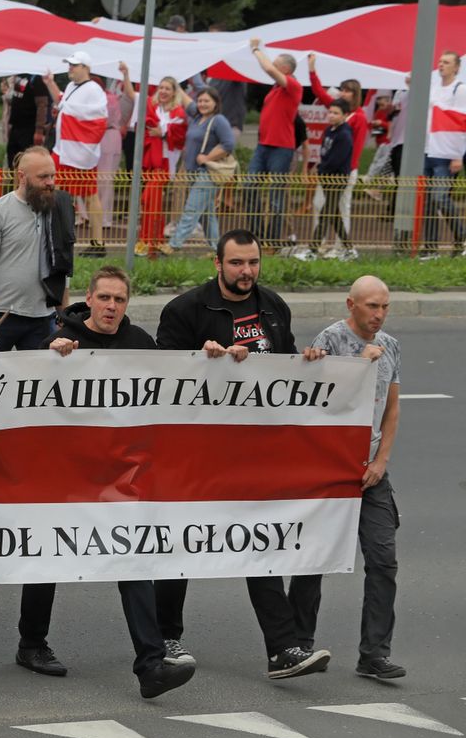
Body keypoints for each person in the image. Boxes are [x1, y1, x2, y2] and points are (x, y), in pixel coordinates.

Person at [155, 229, 332, 679]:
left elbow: (286, 370)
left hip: (255, 454)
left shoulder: (273, 306)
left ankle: (282, 649)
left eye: (253, 262)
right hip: (195, 454)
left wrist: (308, 362)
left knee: (261, 542)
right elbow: (158, 382)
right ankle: (165, 638)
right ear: (217, 264)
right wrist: (202, 359)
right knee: (182, 546)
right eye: (236, 263)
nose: (246, 271)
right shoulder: (185, 311)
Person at [26, 266, 197, 698]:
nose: (111, 307)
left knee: (132, 558)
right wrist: (51, 356)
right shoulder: (61, 339)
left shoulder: (140, 343)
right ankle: (31, 642)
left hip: (118, 478)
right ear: (90, 297)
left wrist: (215, 358)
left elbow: (173, 385)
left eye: (120, 300)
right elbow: (24, 390)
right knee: (51, 555)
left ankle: (151, 665)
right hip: (66, 475)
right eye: (104, 298)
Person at [300, 275, 405, 680]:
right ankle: (299, 643)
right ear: (351, 305)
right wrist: (358, 365)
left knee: (383, 561)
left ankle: (374, 654)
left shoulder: (392, 345)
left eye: (384, 307)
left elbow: (392, 409)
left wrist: (381, 461)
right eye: (371, 306)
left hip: (371, 468)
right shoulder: (329, 340)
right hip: (330, 467)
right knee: (314, 558)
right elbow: (314, 404)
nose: (378, 315)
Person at [0, 146, 74, 351]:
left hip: (43, 317)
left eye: (53, 176)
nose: (50, 183)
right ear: (22, 177)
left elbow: (62, 267)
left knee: (39, 380)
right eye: (43, 177)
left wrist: (64, 317)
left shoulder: (59, 208)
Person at [42, 52, 109, 256]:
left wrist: (69, 109)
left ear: (85, 67)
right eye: (69, 65)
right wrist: (49, 83)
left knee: (89, 196)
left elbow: (97, 120)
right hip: (64, 151)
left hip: (79, 153)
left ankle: (97, 243)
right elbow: (63, 101)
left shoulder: (94, 90)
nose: (70, 68)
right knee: (54, 192)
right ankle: (54, 236)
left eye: (74, 65)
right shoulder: (73, 87)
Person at [118, 64, 186, 256]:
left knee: (148, 198)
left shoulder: (178, 112)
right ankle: (154, 241)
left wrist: (163, 132)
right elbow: (132, 95)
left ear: (174, 92)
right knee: (152, 201)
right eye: (161, 87)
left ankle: (148, 240)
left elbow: (180, 136)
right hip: (150, 159)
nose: (163, 91)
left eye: (168, 88)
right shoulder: (151, 105)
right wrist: (126, 74)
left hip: (164, 162)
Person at [245, 38, 304, 248]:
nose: (272, 66)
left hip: (281, 148)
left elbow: (268, 68)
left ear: (285, 69)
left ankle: (272, 240)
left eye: (277, 64)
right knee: (249, 187)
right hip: (264, 146)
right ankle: (257, 235)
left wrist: (256, 48)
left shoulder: (294, 86)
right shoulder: (275, 90)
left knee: (276, 196)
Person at [307, 54, 368, 255]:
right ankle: (323, 244)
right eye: (342, 90)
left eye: (348, 91)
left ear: (355, 94)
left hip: (344, 170)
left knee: (341, 208)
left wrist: (349, 169)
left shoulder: (358, 117)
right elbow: (318, 91)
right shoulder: (337, 111)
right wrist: (312, 70)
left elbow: (356, 147)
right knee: (321, 205)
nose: (343, 93)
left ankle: (341, 247)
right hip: (328, 170)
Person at [164, 87, 235, 254]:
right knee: (207, 215)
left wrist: (208, 157)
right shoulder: (197, 117)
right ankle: (217, 249)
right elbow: (188, 101)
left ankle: (174, 244)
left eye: (207, 101)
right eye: (200, 100)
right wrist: (177, 85)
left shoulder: (219, 120)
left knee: (191, 208)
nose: (202, 104)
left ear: (216, 103)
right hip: (193, 173)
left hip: (207, 173)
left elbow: (229, 144)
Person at [420, 50, 466, 257]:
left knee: (440, 197)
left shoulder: (460, 89)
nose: (441, 65)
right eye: (439, 61)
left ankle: (462, 237)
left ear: (456, 67)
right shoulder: (434, 88)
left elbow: (462, 122)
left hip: (447, 153)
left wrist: (458, 155)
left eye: (446, 62)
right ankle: (430, 248)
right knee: (429, 201)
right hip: (429, 149)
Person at [298, 101, 355, 260]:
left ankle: (312, 251)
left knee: (325, 213)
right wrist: (320, 168)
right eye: (330, 112)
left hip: (337, 179)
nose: (331, 115)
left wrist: (321, 169)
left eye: (336, 113)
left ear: (344, 115)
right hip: (326, 178)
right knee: (334, 214)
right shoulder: (329, 130)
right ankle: (349, 249)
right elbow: (325, 153)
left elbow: (336, 160)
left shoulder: (344, 135)